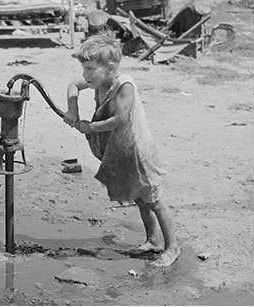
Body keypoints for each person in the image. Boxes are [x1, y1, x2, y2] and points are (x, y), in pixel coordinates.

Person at [64, 33, 180, 267]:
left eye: (89, 69)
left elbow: (119, 119)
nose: (85, 75)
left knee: (154, 200)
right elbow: (72, 86)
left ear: (110, 67)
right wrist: (73, 110)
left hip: (138, 151)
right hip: (121, 150)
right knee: (139, 198)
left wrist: (91, 127)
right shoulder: (97, 79)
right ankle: (153, 241)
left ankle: (172, 247)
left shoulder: (124, 85)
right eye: (84, 69)